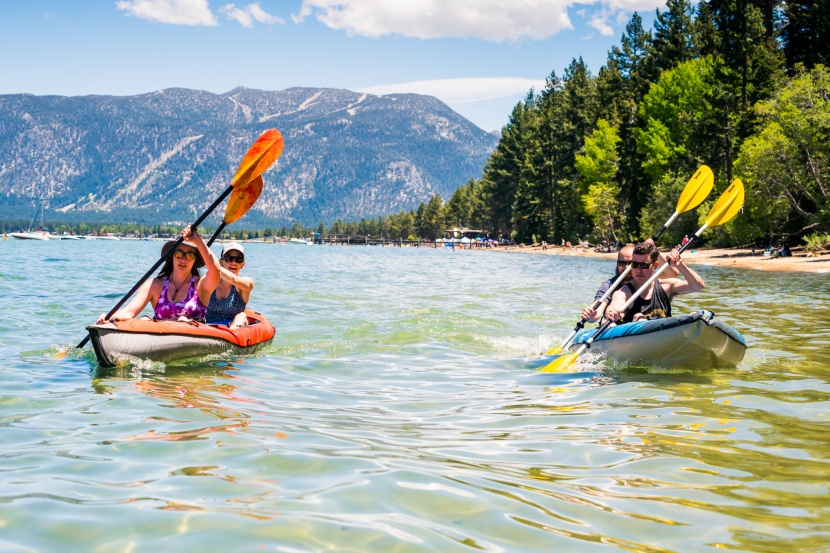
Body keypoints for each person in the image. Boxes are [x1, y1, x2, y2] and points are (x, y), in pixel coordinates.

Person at [96, 225, 220, 324]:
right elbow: (129, 312)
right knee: (144, 319)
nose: (183, 259)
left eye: (189, 256)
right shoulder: (155, 284)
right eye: (178, 254)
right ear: (172, 257)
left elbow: (215, 270)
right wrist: (108, 318)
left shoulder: (201, 285)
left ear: (194, 261)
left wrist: (198, 241)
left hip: (192, 335)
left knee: (182, 321)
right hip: (161, 338)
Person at [605, 241, 704, 324]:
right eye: (635, 264)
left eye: (644, 265)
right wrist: (612, 312)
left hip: (665, 335)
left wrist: (681, 266)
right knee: (638, 317)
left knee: (694, 314)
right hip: (636, 340)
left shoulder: (667, 286)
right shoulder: (624, 292)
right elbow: (614, 306)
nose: (638, 270)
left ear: (655, 265)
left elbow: (697, 286)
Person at [581, 240, 679, 323]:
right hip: (619, 328)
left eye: (632, 263)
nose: (627, 267)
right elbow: (597, 308)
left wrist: (653, 250)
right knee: (605, 322)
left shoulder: (647, 275)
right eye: (622, 263)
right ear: (617, 263)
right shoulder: (610, 285)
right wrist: (590, 313)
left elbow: (672, 274)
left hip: (646, 323)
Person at [206, 242, 254, 328]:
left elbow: (234, 279)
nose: (233, 262)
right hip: (208, 328)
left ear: (242, 264)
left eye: (238, 259)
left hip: (231, 330)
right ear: (221, 262)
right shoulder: (210, 283)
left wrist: (213, 266)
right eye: (229, 258)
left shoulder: (246, 284)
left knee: (242, 316)